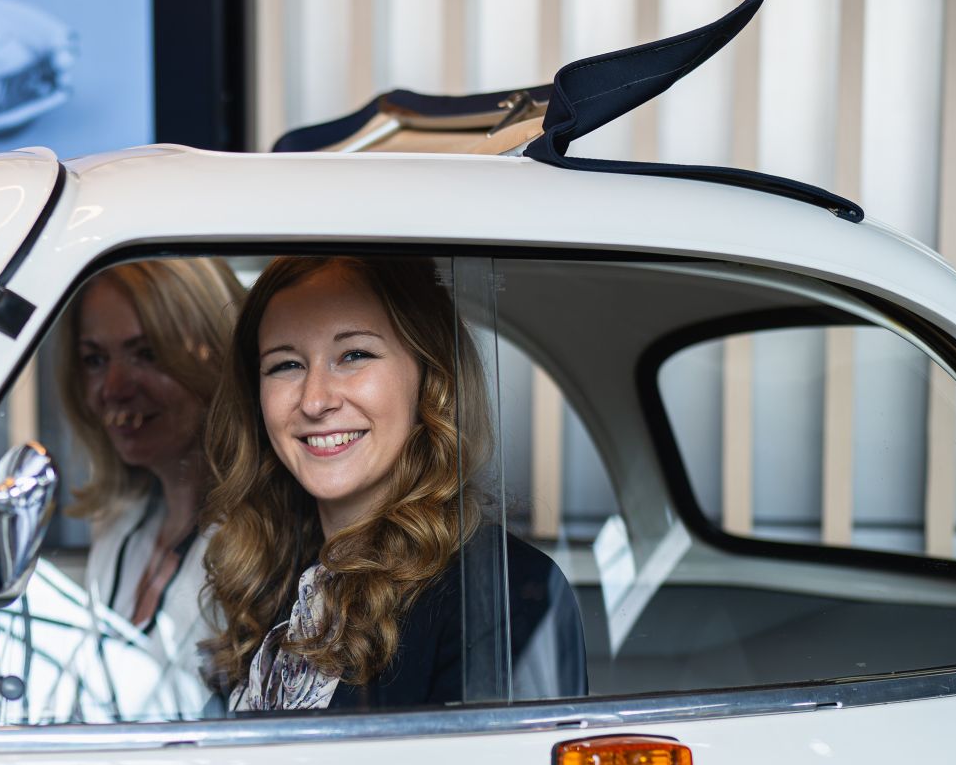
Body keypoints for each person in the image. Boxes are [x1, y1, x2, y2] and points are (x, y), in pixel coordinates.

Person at [203, 255, 586, 712]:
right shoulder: (272, 575)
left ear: (430, 376)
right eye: (286, 365)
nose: (315, 400)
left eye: (354, 355)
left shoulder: (498, 594)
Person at [55, 257, 245, 713]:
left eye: (148, 353)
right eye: (95, 360)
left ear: (217, 357)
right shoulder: (126, 528)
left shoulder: (263, 546)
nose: (115, 387)